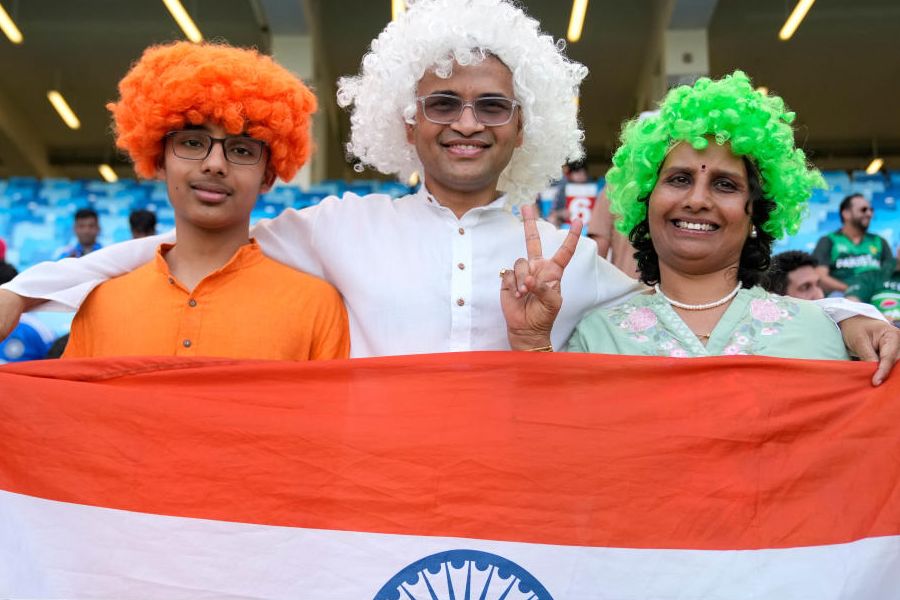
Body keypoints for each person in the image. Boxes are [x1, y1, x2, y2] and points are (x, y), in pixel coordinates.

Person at [0, 0, 895, 378]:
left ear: (522, 122)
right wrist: (23, 288)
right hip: (371, 516)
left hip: (522, 521)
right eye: (443, 102)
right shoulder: (336, 226)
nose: (467, 121)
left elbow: (697, 296)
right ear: (408, 118)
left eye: (491, 104)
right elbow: (187, 252)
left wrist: (850, 310)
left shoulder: (570, 257)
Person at [501, 72, 852, 362]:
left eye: (725, 185)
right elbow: (561, 437)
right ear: (646, 202)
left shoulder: (816, 333)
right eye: (679, 179)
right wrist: (532, 344)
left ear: (756, 214)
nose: (697, 200)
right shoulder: (598, 337)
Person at [60, 41, 349, 360]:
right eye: (193, 142)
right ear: (159, 160)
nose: (214, 164)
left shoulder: (316, 306)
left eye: (241, 150)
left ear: (267, 177)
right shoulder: (101, 305)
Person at [813, 194, 894, 294]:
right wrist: (853, 290)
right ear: (846, 213)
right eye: (863, 209)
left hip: (875, 295)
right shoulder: (829, 241)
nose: (869, 214)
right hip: (841, 296)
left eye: (871, 210)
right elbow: (819, 277)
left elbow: (890, 274)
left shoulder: (879, 241)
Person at [845, 247, 900, 324]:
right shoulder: (875, 274)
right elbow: (851, 302)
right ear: (898, 250)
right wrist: (877, 317)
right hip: (879, 326)